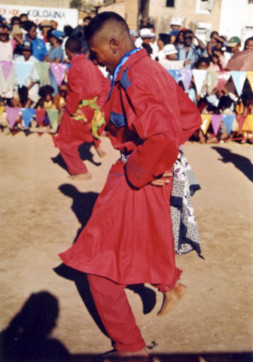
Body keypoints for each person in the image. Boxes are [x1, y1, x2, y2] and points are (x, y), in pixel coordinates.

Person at [58, 12, 202, 357]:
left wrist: (141, 169)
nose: (95, 61)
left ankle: (130, 348)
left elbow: (165, 136)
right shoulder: (146, 68)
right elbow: (189, 116)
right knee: (142, 240)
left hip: (137, 174)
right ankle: (170, 285)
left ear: (113, 44)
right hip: (148, 173)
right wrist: (158, 163)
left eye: (96, 54)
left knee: (97, 263)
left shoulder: (135, 77)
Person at [53, 37, 110, 180]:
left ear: (67, 52)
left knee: (64, 141)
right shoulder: (90, 64)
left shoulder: (74, 67)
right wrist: (99, 105)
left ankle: (80, 171)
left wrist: (70, 109)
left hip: (80, 109)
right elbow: (105, 84)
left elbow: (76, 93)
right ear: (82, 50)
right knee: (86, 129)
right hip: (93, 108)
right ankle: (96, 143)